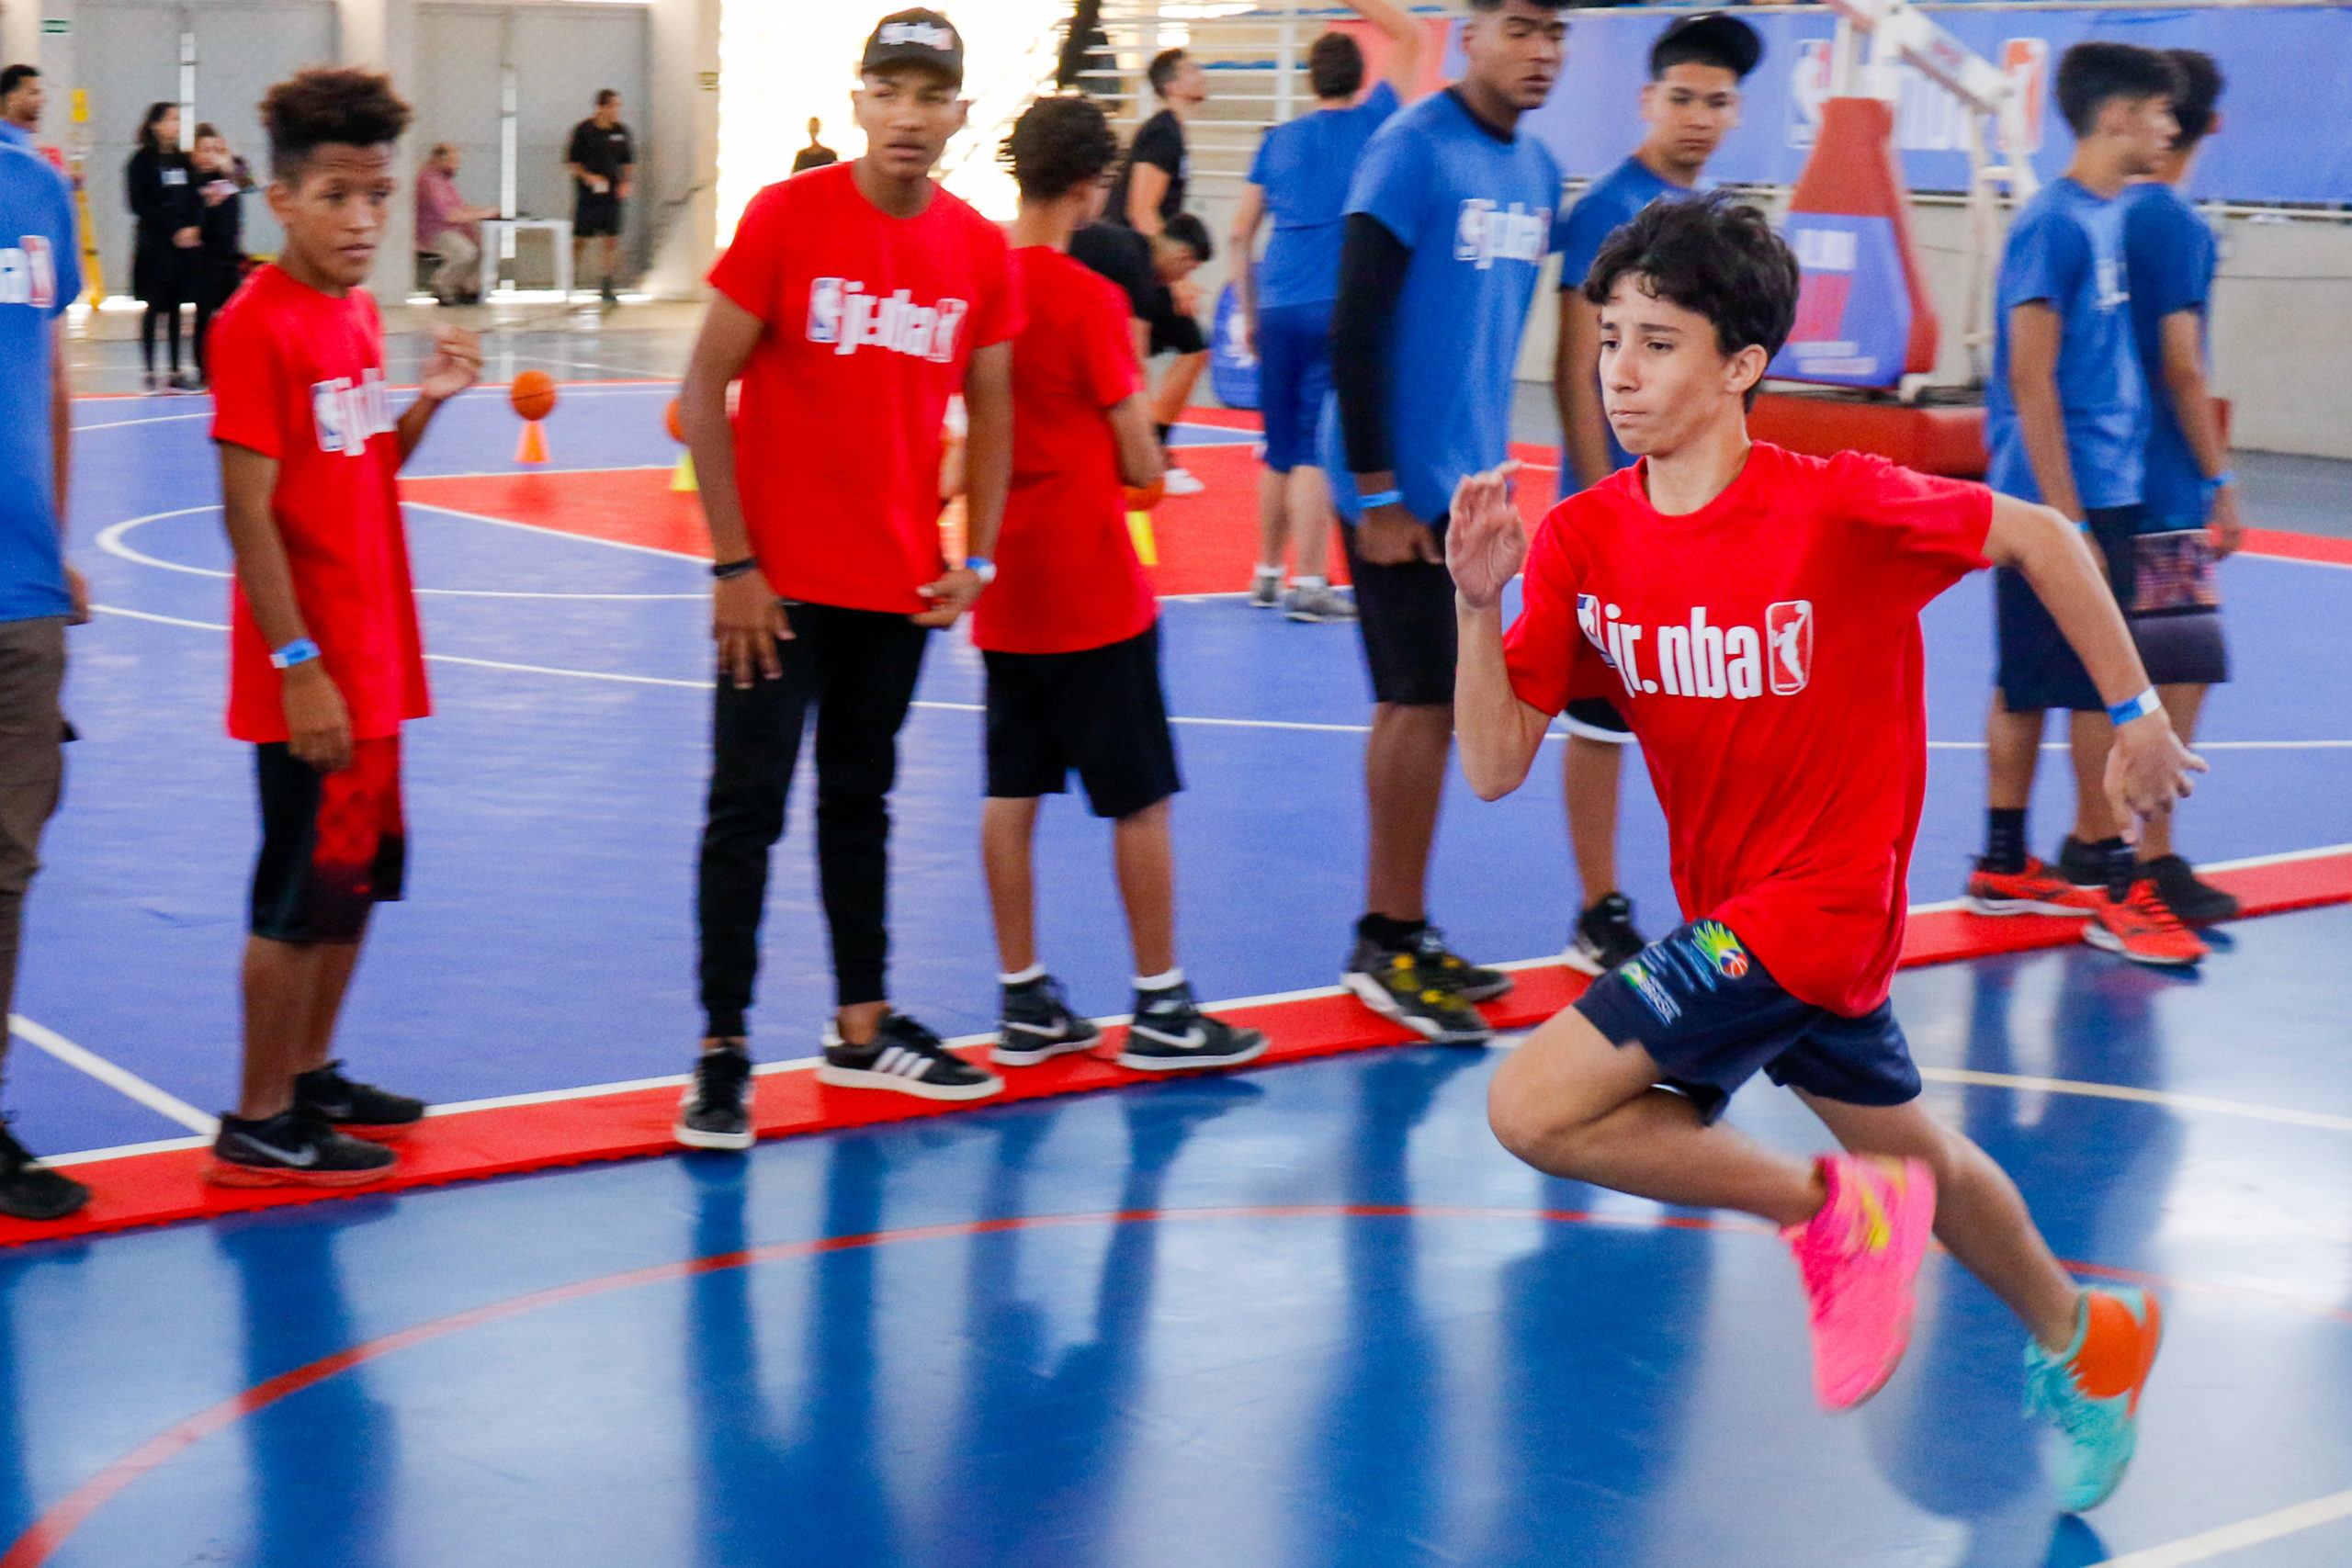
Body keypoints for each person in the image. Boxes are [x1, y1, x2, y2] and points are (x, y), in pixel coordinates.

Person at [1453, 193, 2192, 1513]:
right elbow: (1498, 760)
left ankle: (1825, 1215)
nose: (1619, 371)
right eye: (1608, 337)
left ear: (1740, 365)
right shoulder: (1583, 538)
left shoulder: (1839, 507)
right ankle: (2088, 1334)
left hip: (1824, 906)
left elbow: (2041, 531)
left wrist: (2133, 710)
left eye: (1659, 342)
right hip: (1740, 910)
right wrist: (1476, 602)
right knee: (1925, 1162)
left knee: (1533, 1106)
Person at [671, 8, 1019, 1150]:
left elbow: (998, 405)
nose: (910, 117)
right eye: (890, 92)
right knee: (745, 812)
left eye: (932, 97)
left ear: (960, 112)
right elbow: (702, 392)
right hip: (774, 592)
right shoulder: (787, 219)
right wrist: (734, 563)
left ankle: (861, 1026)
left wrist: (974, 553)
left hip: (895, 588)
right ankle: (723, 1048)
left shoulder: (975, 247)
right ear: (860, 101)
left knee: (858, 804)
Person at [206, 67, 483, 1187]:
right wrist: (298, 666)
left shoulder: (358, 314)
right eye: (336, 197)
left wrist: (424, 404)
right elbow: (248, 512)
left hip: (377, 662)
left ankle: (310, 1076)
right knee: (294, 891)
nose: (364, 220)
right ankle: (258, 1119)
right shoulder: (253, 326)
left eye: (377, 195)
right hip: (312, 669)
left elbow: (365, 469)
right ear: (281, 201)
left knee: (353, 881)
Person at [980, 94, 1265, 1075]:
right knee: (1139, 799)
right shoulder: (1088, 301)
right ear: (1090, 184)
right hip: (1093, 588)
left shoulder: (976, 286)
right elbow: (1141, 458)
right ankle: (1158, 1004)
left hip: (1004, 583)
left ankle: (1021, 998)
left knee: (1009, 792)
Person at [1318, 0, 1571, 1043]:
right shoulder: (1408, 152)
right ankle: (1381, 940)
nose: (1541, 51)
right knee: (1416, 706)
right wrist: (1377, 494)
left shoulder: (1541, 173)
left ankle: (1408, 928)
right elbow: (1355, 325)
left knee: (1435, 706)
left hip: (1468, 491)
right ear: (1468, 34)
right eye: (1519, 27)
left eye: (1555, 33)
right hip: (1394, 490)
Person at [1966, 43, 2208, 967]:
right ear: (2113, 119)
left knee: (2035, 680)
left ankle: (2001, 865)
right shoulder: (2054, 225)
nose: (2167, 130)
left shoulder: (2103, 217)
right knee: (2088, 689)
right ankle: (2111, 885)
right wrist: (2063, 519)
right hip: (2054, 502)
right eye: (2155, 113)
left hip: (2096, 490)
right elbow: (2029, 376)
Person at [1546, 10, 1760, 975]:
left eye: (1717, 101)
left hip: (1702, 519)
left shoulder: (1717, 218)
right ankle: (1599, 909)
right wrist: (1607, 513)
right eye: (1682, 97)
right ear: (1647, 99)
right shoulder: (1608, 212)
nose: (1699, 116)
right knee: (1600, 718)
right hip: (1624, 517)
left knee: (1701, 710)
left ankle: (1714, 900)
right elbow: (1576, 369)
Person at [1230, 0, 1423, 623]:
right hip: (1334, 304)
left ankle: (1264, 572)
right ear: (1360, 75)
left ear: (1312, 80)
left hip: (1278, 302)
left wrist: (1250, 312)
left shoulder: (1279, 140)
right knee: (1315, 447)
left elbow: (1238, 234)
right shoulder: (1377, 124)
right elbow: (1411, 35)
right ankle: (1310, 582)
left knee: (1278, 447)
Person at [2106, 50, 2238, 924]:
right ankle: (2146, 857)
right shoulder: (2177, 225)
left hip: (2113, 476)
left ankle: (2111, 847)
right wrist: (2220, 479)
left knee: (2114, 678)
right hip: (2166, 492)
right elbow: (2183, 365)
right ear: (2210, 128)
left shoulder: (2106, 211)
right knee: (2179, 672)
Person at [0, 135, 91, 1221]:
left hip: (21, 594)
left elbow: (53, 376)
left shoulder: (35, 186)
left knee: (5, 870)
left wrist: (52, 542)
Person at [1069, 210, 1213, 493]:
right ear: (1183, 257)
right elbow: (1133, 360)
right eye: (1190, 271)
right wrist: (1140, 441)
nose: (1185, 279)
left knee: (1194, 344)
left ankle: (1157, 442)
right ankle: (1150, 447)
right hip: (1056, 297)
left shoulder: (1140, 257)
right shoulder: (1136, 268)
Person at [126, 102, 202, 393]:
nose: (176, 125)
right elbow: (139, 204)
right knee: (154, 306)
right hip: (155, 244)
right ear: (155, 125)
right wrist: (173, 228)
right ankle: (149, 370)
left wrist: (193, 227)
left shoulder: (184, 162)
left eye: (179, 120)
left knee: (176, 307)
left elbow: (196, 197)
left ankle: (175, 369)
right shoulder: (141, 162)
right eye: (170, 119)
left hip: (183, 246)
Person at [1112, 47, 1205, 239]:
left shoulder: (1171, 129)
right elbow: (1141, 211)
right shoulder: (1162, 133)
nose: (1201, 76)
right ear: (1171, 86)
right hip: (1133, 253)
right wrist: (1164, 259)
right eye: (1190, 70)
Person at [189, 123, 252, 382]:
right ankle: (204, 368)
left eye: (216, 149)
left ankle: (234, 364)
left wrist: (230, 162)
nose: (211, 155)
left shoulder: (230, 175)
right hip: (205, 256)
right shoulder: (194, 179)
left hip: (230, 254)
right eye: (204, 150)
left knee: (234, 312)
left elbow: (248, 181)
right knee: (205, 313)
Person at [565, 88, 634, 306]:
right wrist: (588, 177)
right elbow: (572, 164)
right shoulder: (583, 130)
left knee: (611, 239)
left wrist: (624, 182)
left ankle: (607, 283)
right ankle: (570, 279)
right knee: (580, 239)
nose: (616, 111)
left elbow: (628, 162)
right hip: (588, 195)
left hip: (612, 195)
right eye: (613, 106)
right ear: (601, 107)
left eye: (618, 106)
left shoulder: (621, 131)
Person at [415, 142, 496, 306]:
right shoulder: (428, 181)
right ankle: (442, 286)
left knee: (485, 250)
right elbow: (448, 215)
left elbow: (460, 208)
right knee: (465, 253)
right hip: (436, 232)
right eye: (453, 160)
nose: (456, 164)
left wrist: (483, 213)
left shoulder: (445, 181)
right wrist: (483, 213)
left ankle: (468, 289)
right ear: (439, 159)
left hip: (454, 229)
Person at [0, 66, 68, 180]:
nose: (42, 100)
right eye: (33, 93)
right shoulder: (9, 147)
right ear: (13, 99)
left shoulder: (40, 153)